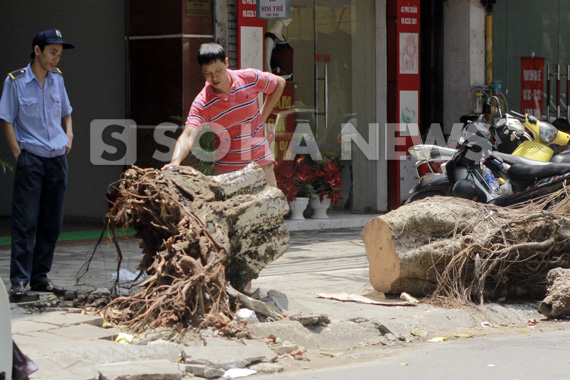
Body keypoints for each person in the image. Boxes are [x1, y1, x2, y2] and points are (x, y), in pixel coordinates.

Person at [0, 28, 75, 298]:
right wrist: (19, 153)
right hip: (31, 157)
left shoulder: (57, 80)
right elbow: (6, 119)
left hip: (56, 159)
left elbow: (67, 112)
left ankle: (40, 277)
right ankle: (19, 281)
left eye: (59, 54)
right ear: (37, 51)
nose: (57, 58)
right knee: (25, 221)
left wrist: (69, 134)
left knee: (51, 222)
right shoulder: (15, 81)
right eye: (53, 52)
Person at [163, 43, 286, 187]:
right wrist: (174, 162)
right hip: (226, 173)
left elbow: (279, 84)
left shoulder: (249, 78)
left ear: (226, 62)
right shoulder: (203, 102)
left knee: (272, 208)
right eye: (207, 73)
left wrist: (262, 117)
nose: (214, 77)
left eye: (218, 70)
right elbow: (188, 135)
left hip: (260, 164)